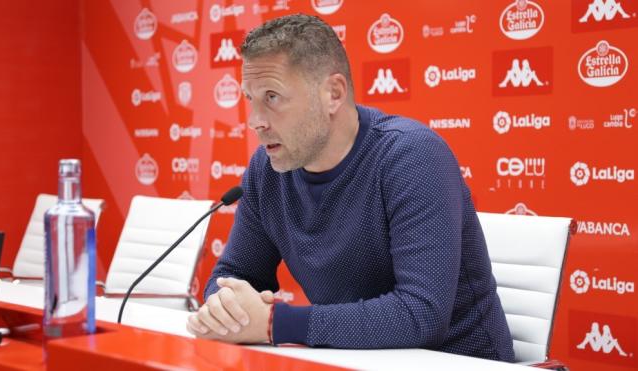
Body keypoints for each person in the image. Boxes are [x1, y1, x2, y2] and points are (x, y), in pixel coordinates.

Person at [186, 13, 515, 362]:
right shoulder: (266, 171)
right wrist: (224, 308)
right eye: (249, 98)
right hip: (353, 360)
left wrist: (272, 322)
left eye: (272, 96)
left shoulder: (412, 156)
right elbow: (235, 275)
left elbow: (423, 314)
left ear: (333, 93)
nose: (255, 121)